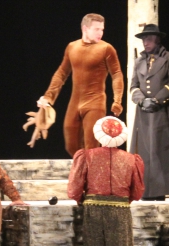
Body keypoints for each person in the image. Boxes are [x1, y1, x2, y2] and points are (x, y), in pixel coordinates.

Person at [68, 117, 144, 246]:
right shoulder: (131, 160)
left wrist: (81, 199)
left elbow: (74, 189)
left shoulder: (87, 156)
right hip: (120, 211)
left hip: (93, 209)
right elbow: (137, 192)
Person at [38, 13, 124, 157]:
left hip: (95, 101)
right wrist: (48, 97)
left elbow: (116, 74)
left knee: (91, 146)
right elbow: (61, 73)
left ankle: (90, 169)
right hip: (75, 101)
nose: (100, 33)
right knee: (71, 143)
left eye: (102, 29)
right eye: (96, 29)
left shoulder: (106, 48)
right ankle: (83, 167)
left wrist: (117, 101)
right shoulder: (72, 47)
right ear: (85, 29)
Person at [129, 24, 169, 200]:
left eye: (149, 39)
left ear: (157, 39)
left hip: (163, 110)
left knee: (164, 149)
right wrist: (142, 100)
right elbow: (133, 85)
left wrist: (157, 100)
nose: (145, 42)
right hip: (144, 112)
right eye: (143, 39)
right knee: (144, 151)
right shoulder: (139, 61)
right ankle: (146, 191)